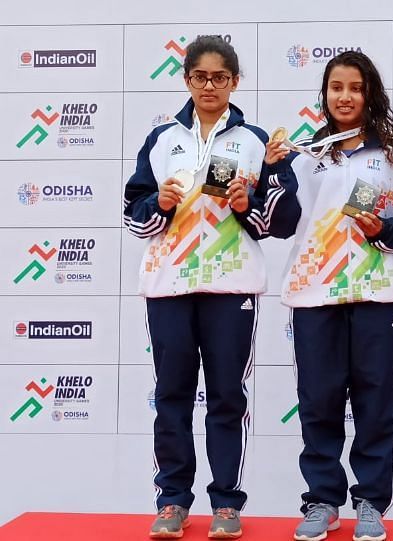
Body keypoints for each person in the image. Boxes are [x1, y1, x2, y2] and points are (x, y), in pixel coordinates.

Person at [261, 50, 393, 541]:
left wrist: (383, 229)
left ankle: (371, 504)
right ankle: (323, 500)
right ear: (325, 94)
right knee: (319, 401)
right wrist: (274, 172)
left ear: (369, 93)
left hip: (378, 291)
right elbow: (285, 225)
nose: (345, 96)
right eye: (337, 87)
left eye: (355, 87)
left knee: (376, 402)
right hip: (315, 291)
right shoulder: (308, 153)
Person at [123, 35, 272, 539]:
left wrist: (244, 205)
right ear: (187, 79)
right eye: (201, 77)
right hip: (170, 285)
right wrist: (159, 205)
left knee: (228, 396)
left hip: (231, 288)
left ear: (235, 82)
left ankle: (226, 503)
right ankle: (172, 501)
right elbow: (134, 216)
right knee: (173, 394)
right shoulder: (163, 139)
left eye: (221, 77)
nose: (210, 86)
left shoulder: (253, 141)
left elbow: (272, 221)